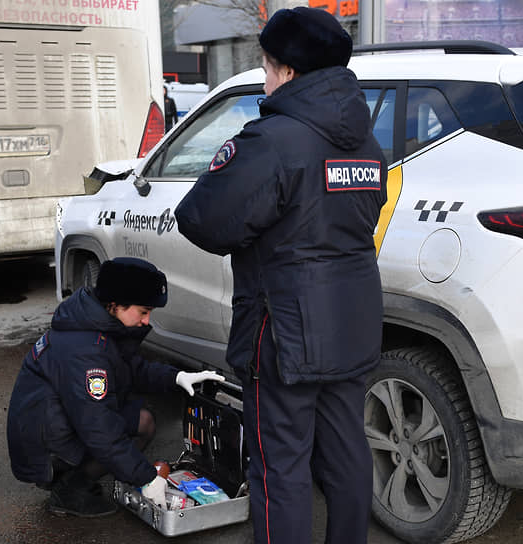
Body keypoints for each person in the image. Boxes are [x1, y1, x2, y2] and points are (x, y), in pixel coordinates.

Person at [174, 7, 387, 544]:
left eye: (267, 67)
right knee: (345, 452)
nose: (265, 78)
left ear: (288, 71)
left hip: (285, 327)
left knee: (279, 468)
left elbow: (202, 218)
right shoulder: (365, 142)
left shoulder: (272, 141)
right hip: (352, 320)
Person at [6, 257, 224, 517]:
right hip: (43, 451)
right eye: (143, 312)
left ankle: (76, 480)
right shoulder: (85, 350)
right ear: (116, 304)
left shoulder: (97, 324)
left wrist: (178, 377)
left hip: (56, 426)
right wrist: (146, 477)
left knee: (144, 420)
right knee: (116, 427)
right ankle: (68, 491)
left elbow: (131, 369)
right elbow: (98, 428)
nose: (147, 321)